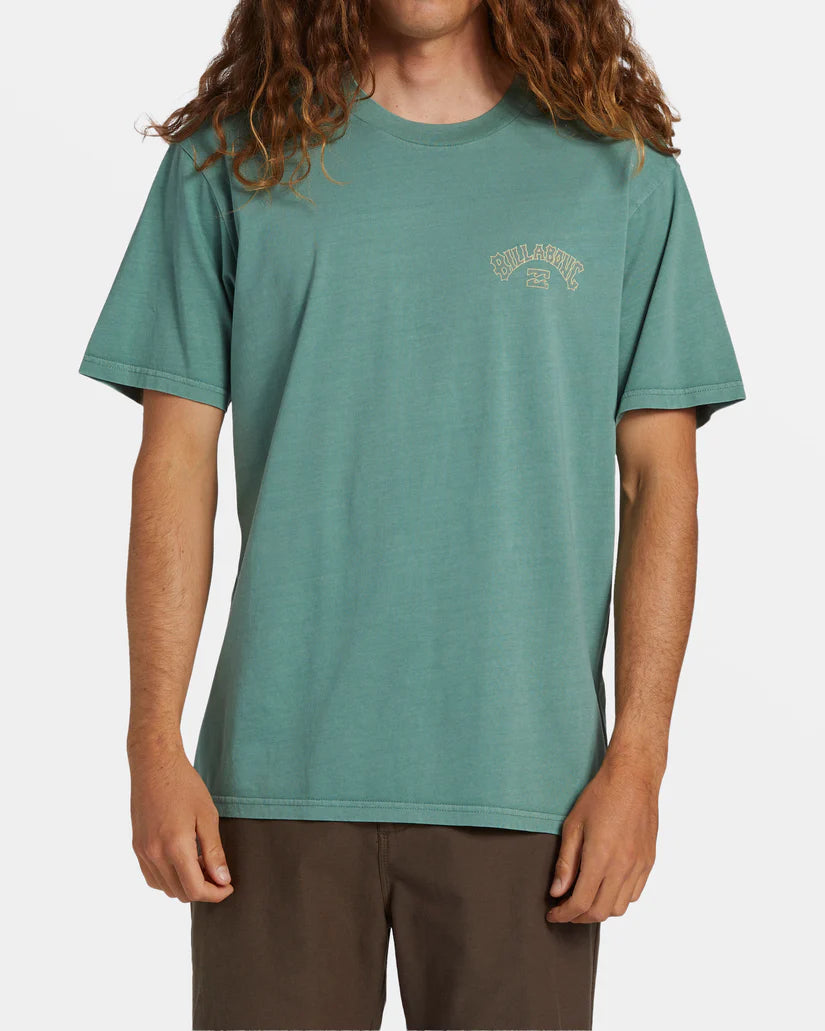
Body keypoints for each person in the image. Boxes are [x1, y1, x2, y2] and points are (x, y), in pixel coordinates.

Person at [77, 1, 746, 1028]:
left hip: (533, 792)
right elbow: (172, 463)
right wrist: (151, 745)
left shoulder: (620, 171)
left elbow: (661, 482)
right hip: (274, 785)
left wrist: (639, 762)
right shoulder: (231, 160)